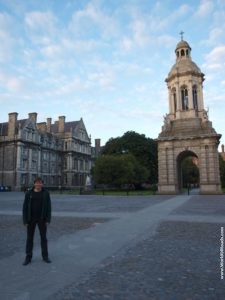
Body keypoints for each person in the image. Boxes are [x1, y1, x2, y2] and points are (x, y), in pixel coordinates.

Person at [22, 177, 52, 265]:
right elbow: (24, 208)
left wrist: (48, 219)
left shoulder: (46, 193)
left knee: (43, 238)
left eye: (40, 183)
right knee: (29, 238)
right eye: (37, 183)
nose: (38, 184)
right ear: (34, 184)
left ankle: (45, 256)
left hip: (42, 219)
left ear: (42, 184)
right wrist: (25, 220)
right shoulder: (29, 193)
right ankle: (28, 257)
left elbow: (49, 207)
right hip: (31, 219)